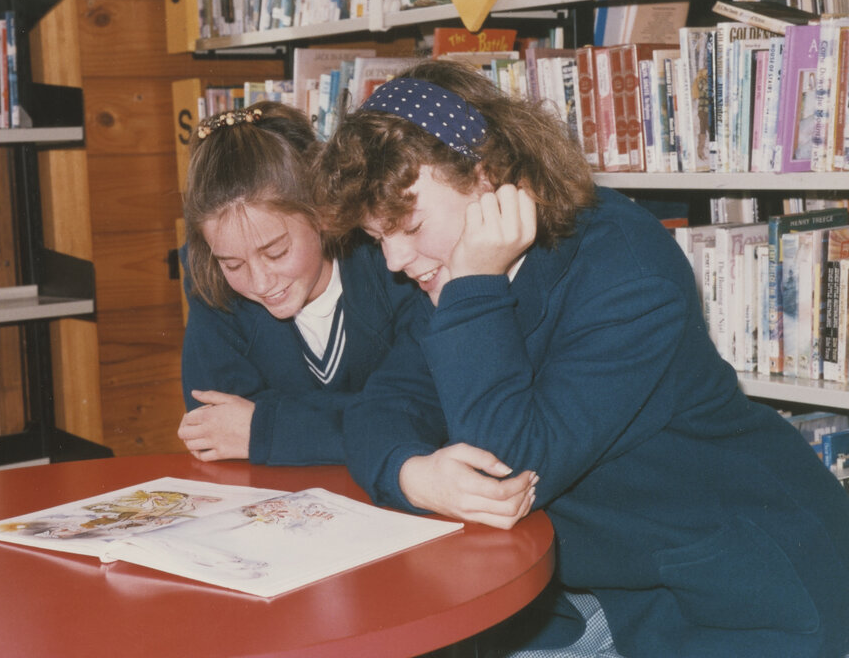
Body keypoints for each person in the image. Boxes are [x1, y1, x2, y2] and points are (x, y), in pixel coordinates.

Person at [315, 59, 849, 658]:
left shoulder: (626, 272)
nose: (393, 260)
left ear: (486, 176)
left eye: (409, 226)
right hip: (617, 588)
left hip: (750, 594)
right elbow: (380, 407)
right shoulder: (449, 274)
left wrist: (472, 286)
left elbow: (513, 464)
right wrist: (413, 474)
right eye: (378, 236)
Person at [177, 102, 433, 469]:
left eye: (277, 252)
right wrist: (366, 415)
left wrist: (264, 428)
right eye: (233, 263)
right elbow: (213, 426)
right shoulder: (212, 277)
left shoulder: (393, 265)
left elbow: (426, 415)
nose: (260, 282)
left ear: (322, 215)